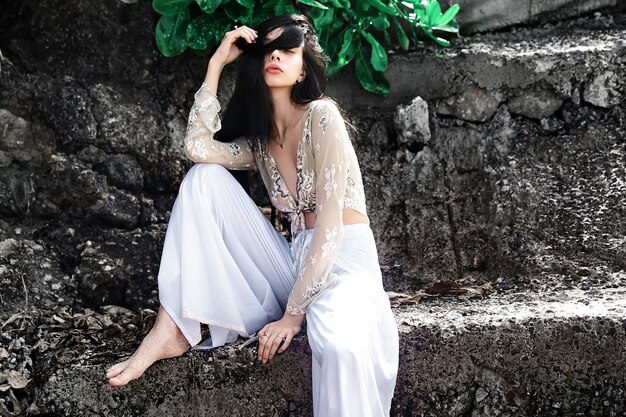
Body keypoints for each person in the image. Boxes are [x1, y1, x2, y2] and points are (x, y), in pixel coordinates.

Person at [106, 14, 398, 417]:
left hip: (342, 262)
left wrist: (292, 318)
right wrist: (216, 64)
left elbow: (329, 229)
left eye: (288, 50)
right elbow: (197, 148)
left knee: (339, 345)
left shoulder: (322, 116)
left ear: (301, 68)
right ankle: (171, 327)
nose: (275, 55)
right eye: (267, 50)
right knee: (203, 179)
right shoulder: (261, 144)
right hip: (294, 261)